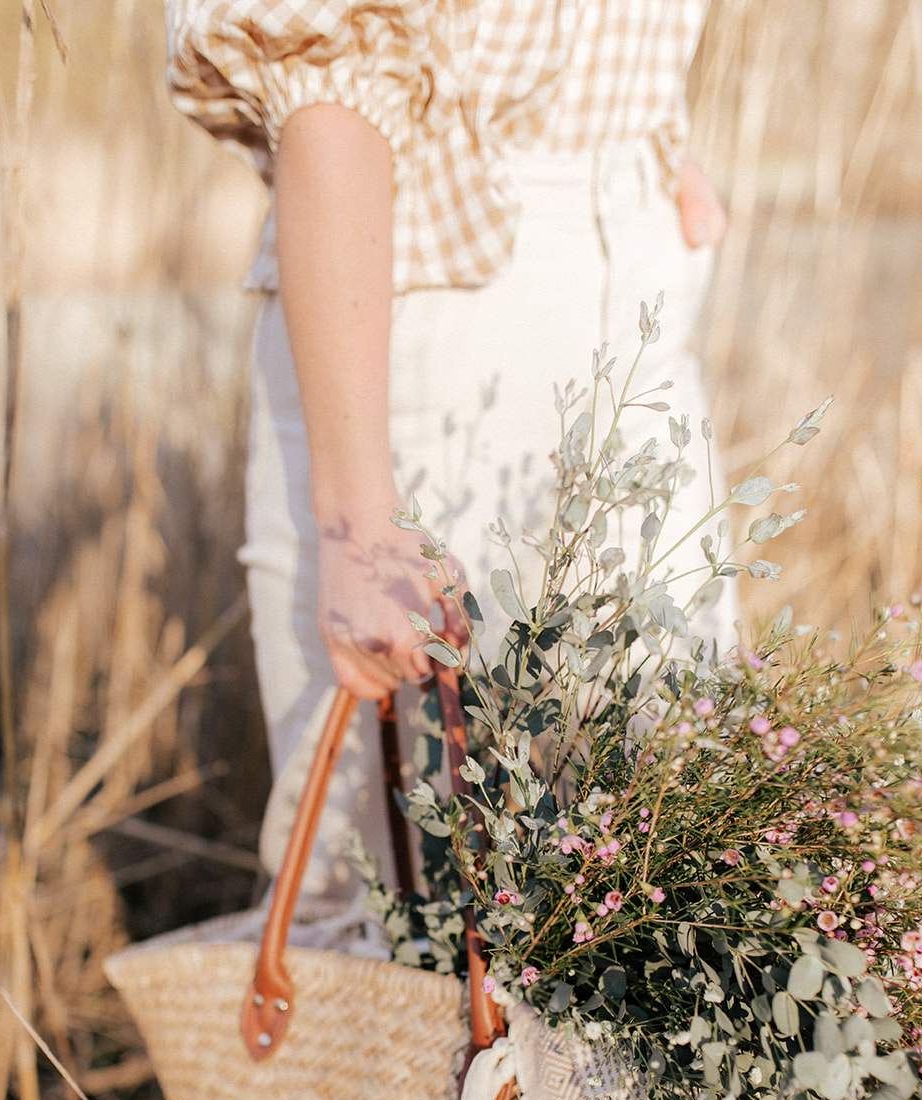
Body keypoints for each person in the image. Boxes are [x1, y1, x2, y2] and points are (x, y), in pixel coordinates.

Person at [166, 0, 734, 897]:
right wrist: (361, 521)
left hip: (635, 282)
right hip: (427, 287)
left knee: (667, 890)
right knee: (403, 916)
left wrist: (638, 124)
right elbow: (326, 60)